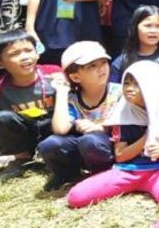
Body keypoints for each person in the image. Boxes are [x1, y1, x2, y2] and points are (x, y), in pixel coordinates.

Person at [66, 60, 159, 209]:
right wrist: (146, 138)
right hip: (127, 170)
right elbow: (120, 155)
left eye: (137, 84)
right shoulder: (123, 114)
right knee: (76, 197)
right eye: (126, 83)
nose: (129, 89)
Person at [39, 41, 119, 191]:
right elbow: (61, 129)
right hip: (83, 147)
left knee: (90, 141)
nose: (101, 69)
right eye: (92, 66)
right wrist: (62, 92)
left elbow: (130, 126)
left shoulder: (119, 92)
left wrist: (101, 127)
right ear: (75, 77)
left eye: (103, 63)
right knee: (50, 144)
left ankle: (101, 174)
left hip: (107, 146)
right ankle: (66, 174)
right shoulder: (72, 98)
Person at [0, 30, 62, 179]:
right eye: (14, 54)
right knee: (1, 119)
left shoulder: (54, 73)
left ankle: (53, 158)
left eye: (28, 50)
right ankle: (21, 158)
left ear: (37, 53)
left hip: (51, 128)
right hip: (23, 130)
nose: (24, 57)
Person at [109, 5, 159, 101]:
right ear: (135, 28)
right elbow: (112, 89)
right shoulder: (122, 61)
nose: (153, 31)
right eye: (147, 26)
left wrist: (148, 91)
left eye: (158, 26)